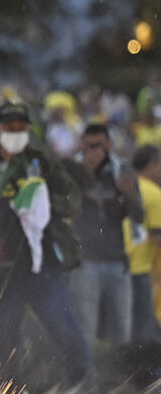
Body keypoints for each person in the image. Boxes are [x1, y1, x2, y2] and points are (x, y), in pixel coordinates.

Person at [0, 102, 94, 394]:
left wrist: (45, 201)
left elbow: (72, 201)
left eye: (22, 129)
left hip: (40, 266)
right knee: (3, 342)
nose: (16, 134)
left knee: (64, 329)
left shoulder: (41, 163)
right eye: (10, 129)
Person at [67, 123, 144, 351]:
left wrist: (128, 195)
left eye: (97, 146)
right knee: (86, 333)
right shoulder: (73, 171)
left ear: (108, 145)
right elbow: (66, 209)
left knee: (122, 334)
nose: (92, 151)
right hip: (85, 262)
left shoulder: (122, 171)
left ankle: (122, 381)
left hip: (116, 261)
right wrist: (86, 176)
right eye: (87, 146)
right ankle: (90, 381)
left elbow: (139, 216)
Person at [129, 144, 161, 341]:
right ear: (152, 165)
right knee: (146, 330)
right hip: (144, 269)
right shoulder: (155, 194)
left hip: (122, 263)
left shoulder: (127, 187)